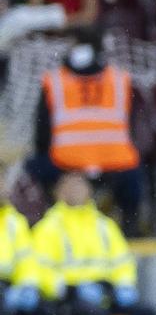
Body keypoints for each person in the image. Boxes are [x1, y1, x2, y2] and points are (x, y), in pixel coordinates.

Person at [21, 169, 156, 315]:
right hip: (72, 297)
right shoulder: (49, 227)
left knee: (145, 314)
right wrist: (67, 289)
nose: (76, 190)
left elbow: (123, 261)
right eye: (70, 185)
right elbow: (40, 267)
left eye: (81, 184)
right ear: (58, 192)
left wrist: (123, 286)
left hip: (105, 291)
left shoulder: (104, 225)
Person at [31, 40, 143, 222]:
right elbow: (135, 126)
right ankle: (132, 227)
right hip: (115, 163)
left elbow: (42, 135)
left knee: (32, 169)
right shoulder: (120, 79)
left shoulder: (55, 81)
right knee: (135, 177)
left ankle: (39, 221)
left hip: (67, 163)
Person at [0, 179, 46, 315]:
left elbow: (27, 259)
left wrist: (27, 285)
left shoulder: (15, 222)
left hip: (11, 287)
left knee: (46, 314)